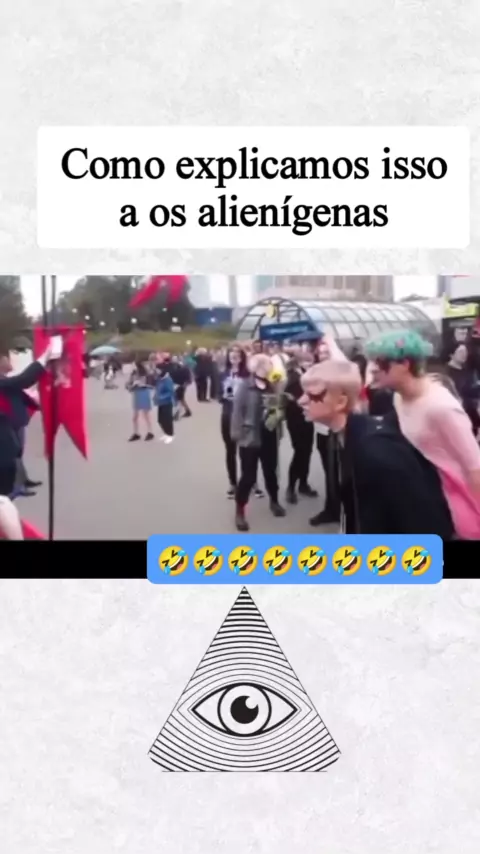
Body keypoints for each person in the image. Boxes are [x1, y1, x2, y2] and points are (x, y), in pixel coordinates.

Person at [299, 359, 454, 536]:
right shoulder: (342, 436)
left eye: (312, 395)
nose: (301, 401)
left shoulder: (376, 451)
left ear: (340, 402)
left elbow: (420, 520)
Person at [365, 329, 480, 539]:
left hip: (458, 507)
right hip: (428, 500)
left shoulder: (441, 407)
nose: (372, 369)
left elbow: (475, 468)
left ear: (404, 364)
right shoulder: (399, 397)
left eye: (379, 363)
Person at [231, 354, 286, 531]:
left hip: (269, 434)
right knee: (248, 476)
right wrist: (237, 434)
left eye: (269, 364)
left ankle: (274, 501)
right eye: (265, 364)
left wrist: (279, 417)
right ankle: (240, 511)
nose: (268, 367)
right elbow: (237, 411)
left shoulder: (272, 386)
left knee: (271, 471)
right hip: (250, 436)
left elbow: (278, 409)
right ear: (257, 367)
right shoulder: (245, 386)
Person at [0, 345, 52, 499]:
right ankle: (13, 489)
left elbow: (22, 388)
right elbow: (23, 380)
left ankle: (16, 486)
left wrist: (39, 406)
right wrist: (44, 358)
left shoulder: (5, 381)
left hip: (10, 426)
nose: (8, 361)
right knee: (10, 458)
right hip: (7, 429)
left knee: (15, 453)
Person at [284, 350, 318, 503]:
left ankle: (303, 483)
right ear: (299, 362)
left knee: (307, 451)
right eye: (307, 361)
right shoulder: (293, 377)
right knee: (300, 451)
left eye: (311, 362)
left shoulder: (306, 375)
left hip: (307, 418)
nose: (310, 364)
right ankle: (291, 487)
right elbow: (291, 398)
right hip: (296, 419)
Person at [219, 345, 250, 497]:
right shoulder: (223, 374)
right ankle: (233, 483)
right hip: (227, 413)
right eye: (232, 352)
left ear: (242, 357)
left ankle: (247, 481)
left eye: (237, 353)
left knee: (245, 450)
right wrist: (225, 392)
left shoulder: (248, 375)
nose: (234, 355)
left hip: (244, 415)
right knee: (230, 450)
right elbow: (218, 395)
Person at [126, 361, 154, 441]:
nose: (132, 367)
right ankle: (136, 433)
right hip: (136, 394)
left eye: (133, 365)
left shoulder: (145, 374)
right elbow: (128, 385)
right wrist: (131, 385)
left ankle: (150, 432)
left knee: (146, 414)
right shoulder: (133, 374)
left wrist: (141, 384)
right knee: (135, 416)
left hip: (144, 393)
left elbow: (151, 384)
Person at [153, 363, 176, 443]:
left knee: (167, 420)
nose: (156, 371)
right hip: (161, 403)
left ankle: (170, 435)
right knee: (160, 420)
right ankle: (166, 433)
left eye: (158, 369)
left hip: (167, 402)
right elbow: (157, 389)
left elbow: (171, 392)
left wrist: (161, 397)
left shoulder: (168, 380)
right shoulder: (160, 379)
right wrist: (155, 396)